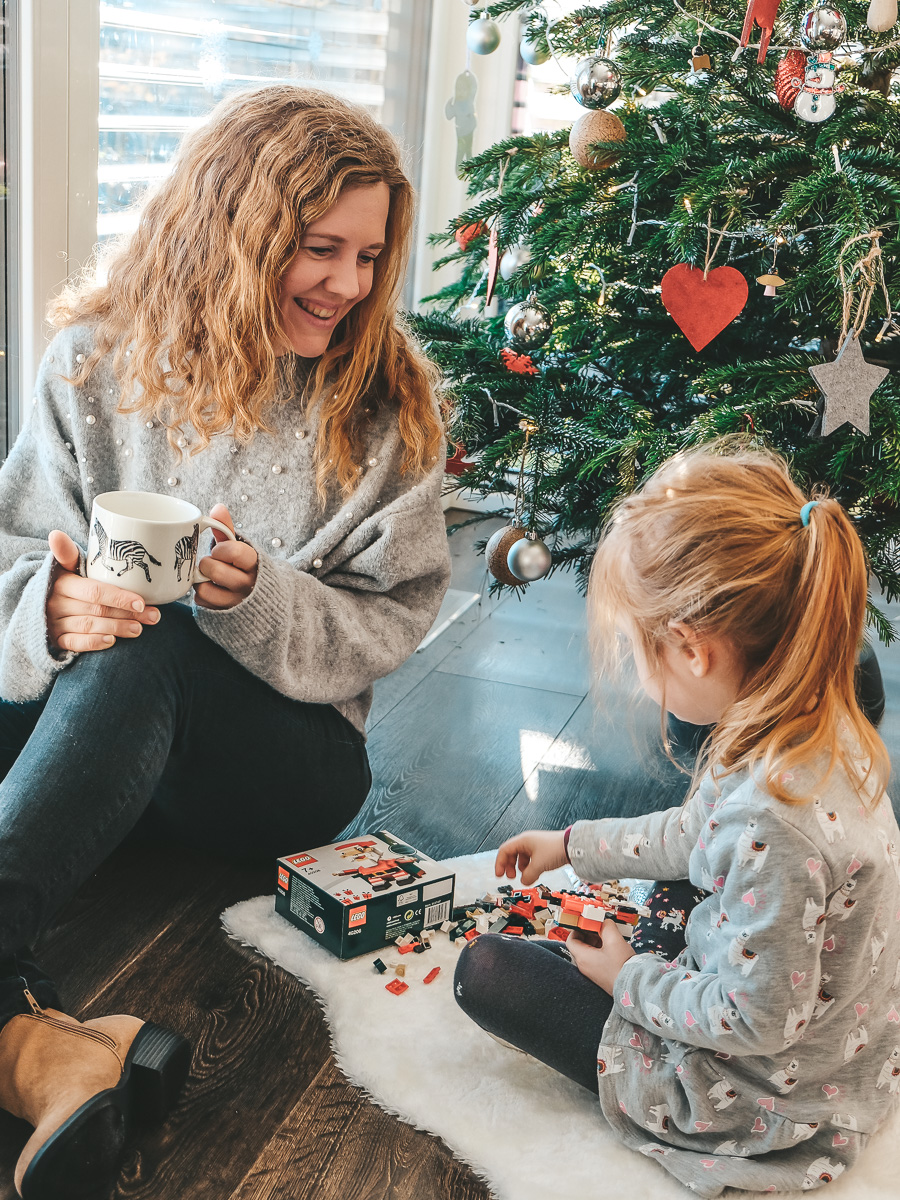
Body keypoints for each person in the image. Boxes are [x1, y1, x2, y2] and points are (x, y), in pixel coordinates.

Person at [0, 84, 450, 1200]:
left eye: (367, 256)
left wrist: (259, 598)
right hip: (92, 739)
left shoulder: (382, 403)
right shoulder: (88, 367)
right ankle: (45, 1049)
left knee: (149, 646)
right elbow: (16, 548)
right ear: (232, 233)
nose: (348, 286)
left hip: (277, 764)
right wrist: (46, 609)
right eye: (318, 249)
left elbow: (387, 619)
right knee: (102, 638)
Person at [454, 441, 900, 1197]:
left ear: (692, 649)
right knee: (675, 883)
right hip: (814, 1022)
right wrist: (570, 846)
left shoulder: (776, 824)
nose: (636, 671)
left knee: (485, 972)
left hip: (765, 1096)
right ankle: (634, 974)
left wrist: (629, 978)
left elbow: (756, 1023)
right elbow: (694, 836)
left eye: (638, 650)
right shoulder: (802, 719)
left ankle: (628, 994)